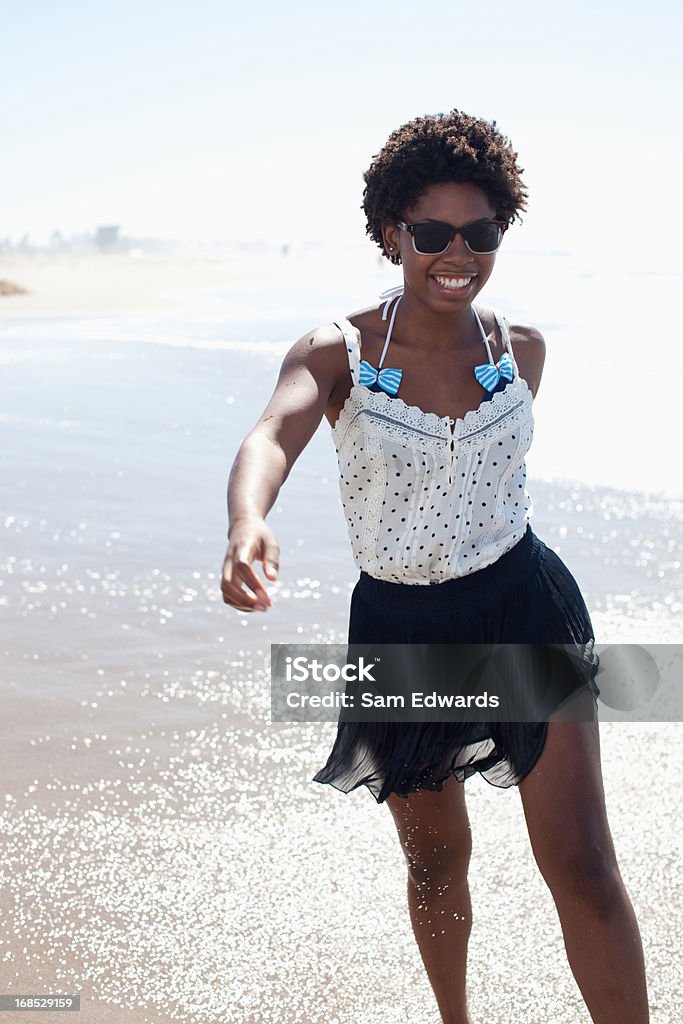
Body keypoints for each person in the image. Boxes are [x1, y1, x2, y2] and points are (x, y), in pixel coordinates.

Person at [221, 110, 650, 1024]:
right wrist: (247, 520)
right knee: (434, 861)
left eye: (480, 233)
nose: (457, 253)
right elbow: (271, 432)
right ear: (391, 234)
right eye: (432, 233)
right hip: (402, 627)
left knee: (580, 859)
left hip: (523, 607)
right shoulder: (339, 351)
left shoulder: (518, 351)